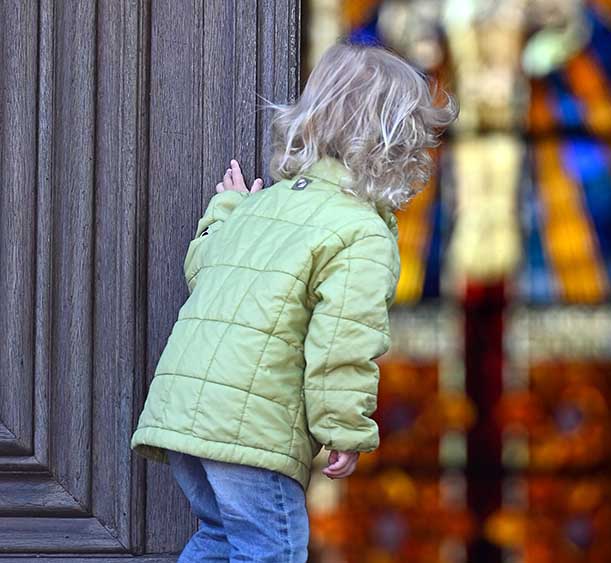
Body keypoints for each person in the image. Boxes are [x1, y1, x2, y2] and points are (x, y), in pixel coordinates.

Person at [130, 42, 457, 562]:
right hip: (250, 431)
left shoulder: (263, 205)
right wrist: (343, 429)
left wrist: (226, 211)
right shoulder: (360, 232)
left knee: (219, 538)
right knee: (275, 550)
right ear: (397, 148)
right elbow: (342, 345)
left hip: (183, 414)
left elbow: (205, 270)